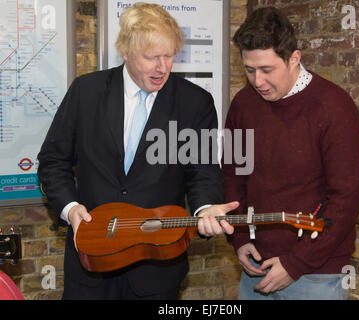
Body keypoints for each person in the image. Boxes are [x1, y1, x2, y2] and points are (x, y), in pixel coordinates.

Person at [38, 3, 236, 300]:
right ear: (126, 52)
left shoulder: (195, 103)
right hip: (91, 266)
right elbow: (53, 162)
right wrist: (70, 208)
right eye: (151, 57)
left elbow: (203, 172)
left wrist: (205, 207)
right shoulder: (86, 92)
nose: (162, 67)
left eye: (168, 56)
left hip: (156, 272)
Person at [222, 6, 359, 300]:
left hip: (316, 275)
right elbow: (232, 175)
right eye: (249, 70)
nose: (258, 81)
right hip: (256, 266)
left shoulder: (334, 107)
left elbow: (346, 200)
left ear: (294, 59)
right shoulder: (243, 104)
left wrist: (294, 264)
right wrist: (237, 238)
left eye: (267, 70)